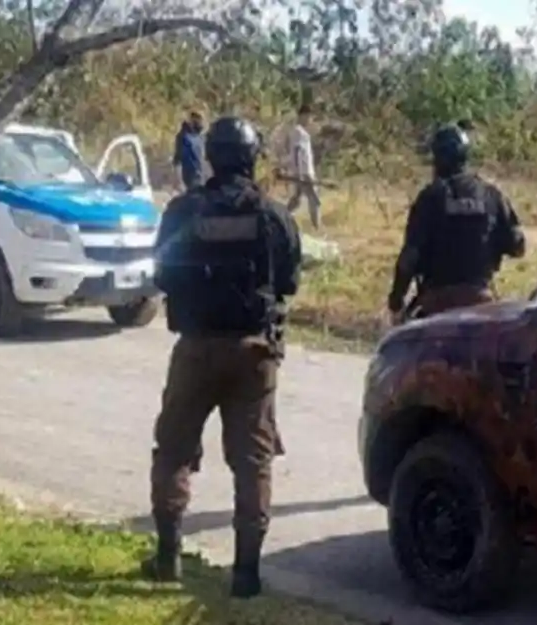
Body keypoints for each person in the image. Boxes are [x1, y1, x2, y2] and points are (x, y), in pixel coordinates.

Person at [142, 116, 301, 599]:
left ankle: (167, 558)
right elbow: (289, 282)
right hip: (253, 354)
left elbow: (162, 275)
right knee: (253, 463)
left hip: (195, 350)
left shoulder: (182, 212)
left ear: (210, 156)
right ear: (252, 158)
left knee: (173, 451)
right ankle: (246, 574)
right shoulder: (273, 216)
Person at [387, 124, 525, 321]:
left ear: (438, 159)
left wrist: (396, 300)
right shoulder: (492, 195)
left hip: (436, 302)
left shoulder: (430, 196)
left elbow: (409, 257)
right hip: (481, 300)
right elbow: (518, 247)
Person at [284, 103, 322, 229]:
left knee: (296, 200)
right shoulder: (298, 132)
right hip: (304, 172)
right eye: (309, 117)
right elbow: (297, 152)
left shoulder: (301, 132)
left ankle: (283, 217)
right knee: (314, 200)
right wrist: (300, 173)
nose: (310, 120)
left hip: (303, 171)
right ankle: (316, 227)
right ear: (303, 116)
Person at [172, 111, 205, 192]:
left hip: (198, 176)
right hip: (188, 176)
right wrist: (179, 180)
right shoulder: (184, 137)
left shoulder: (200, 137)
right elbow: (178, 160)